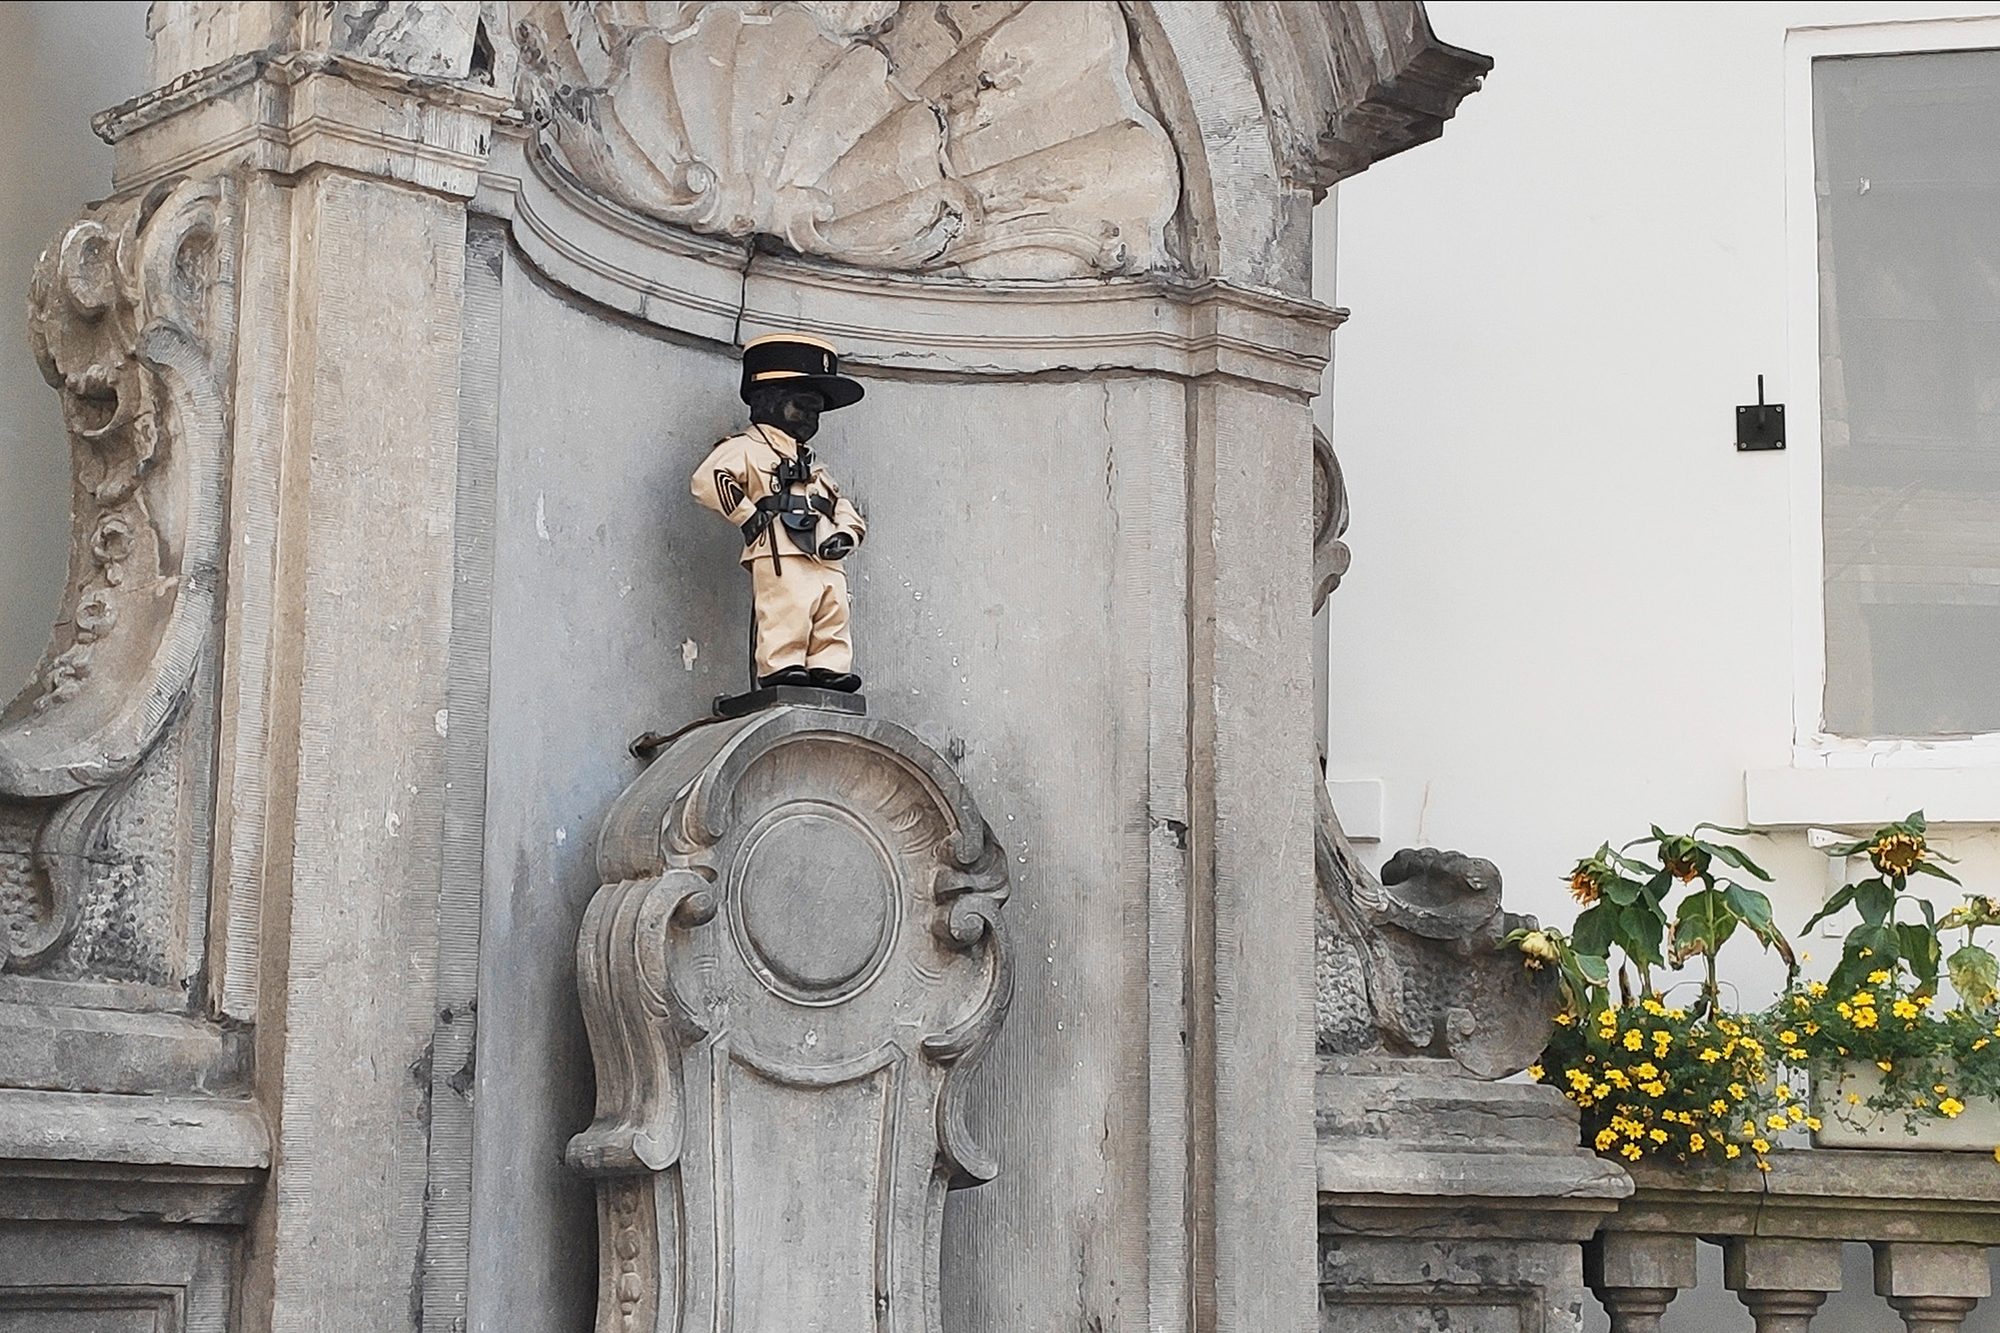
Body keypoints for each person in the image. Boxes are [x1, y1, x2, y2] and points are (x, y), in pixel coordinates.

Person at [690, 333, 868, 692]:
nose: (809, 417)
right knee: (788, 606)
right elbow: (709, 479)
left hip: (823, 550)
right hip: (778, 545)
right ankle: (782, 663)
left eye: (816, 410)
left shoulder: (811, 462)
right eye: (802, 405)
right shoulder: (745, 448)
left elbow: (839, 504)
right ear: (768, 400)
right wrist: (745, 515)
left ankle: (828, 665)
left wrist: (845, 533)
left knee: (832, 609)